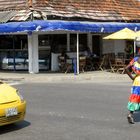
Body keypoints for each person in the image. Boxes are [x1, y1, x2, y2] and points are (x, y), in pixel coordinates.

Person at [125, 55, 140, 124]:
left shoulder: (135, 59)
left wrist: (132, 77)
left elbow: (126, 68)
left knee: (135, 99)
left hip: (136, 82)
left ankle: (130, 114)